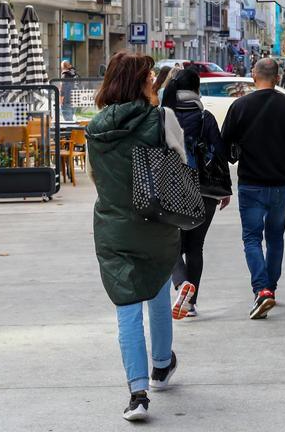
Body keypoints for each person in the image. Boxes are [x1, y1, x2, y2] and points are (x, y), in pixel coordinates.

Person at [85, 52, 187, 422]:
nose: (152, 83)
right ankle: (162, 365)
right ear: (138, 83)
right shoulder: (163, 119)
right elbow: (182, 165)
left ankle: (137, 393)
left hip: (113, 226)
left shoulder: (95, 127)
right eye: (148, 78)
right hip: (156, 224)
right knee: (157, 291)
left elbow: (95, 178)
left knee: (127, 306)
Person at [220, 57, 285, 320]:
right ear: (278, 77)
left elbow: (225, 145)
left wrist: (235, 158)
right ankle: (272, 287)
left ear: (253, 75)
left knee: (251, 238)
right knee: (276, 237)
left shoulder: (240, 106)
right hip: (280, 183)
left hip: (251, 183)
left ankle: (262, 289)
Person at [161, 68, 232, 319]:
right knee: (195, 247)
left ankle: (181, 285)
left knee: (169, 245)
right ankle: (190, 304)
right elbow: (219, 154)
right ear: (196, 88)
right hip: (204, 190)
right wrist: (225, 190)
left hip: (172, 189)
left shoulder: (163, 115)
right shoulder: (205, 117)